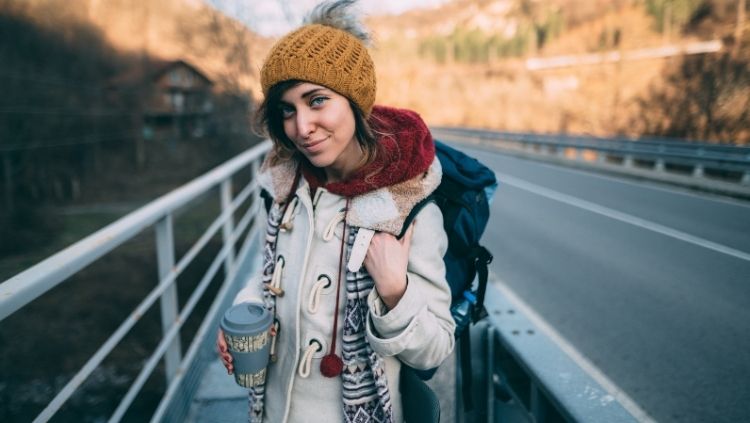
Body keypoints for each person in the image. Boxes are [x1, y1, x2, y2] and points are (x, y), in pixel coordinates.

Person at [217, 1, 455, 421]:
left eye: (317, 100)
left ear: (355, 101)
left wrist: (394, 291)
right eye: (287, 110)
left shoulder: (406, 204)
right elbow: (270, 270)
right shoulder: (284, 186)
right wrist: (247, 308)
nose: (301, 126)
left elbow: (435, 347)